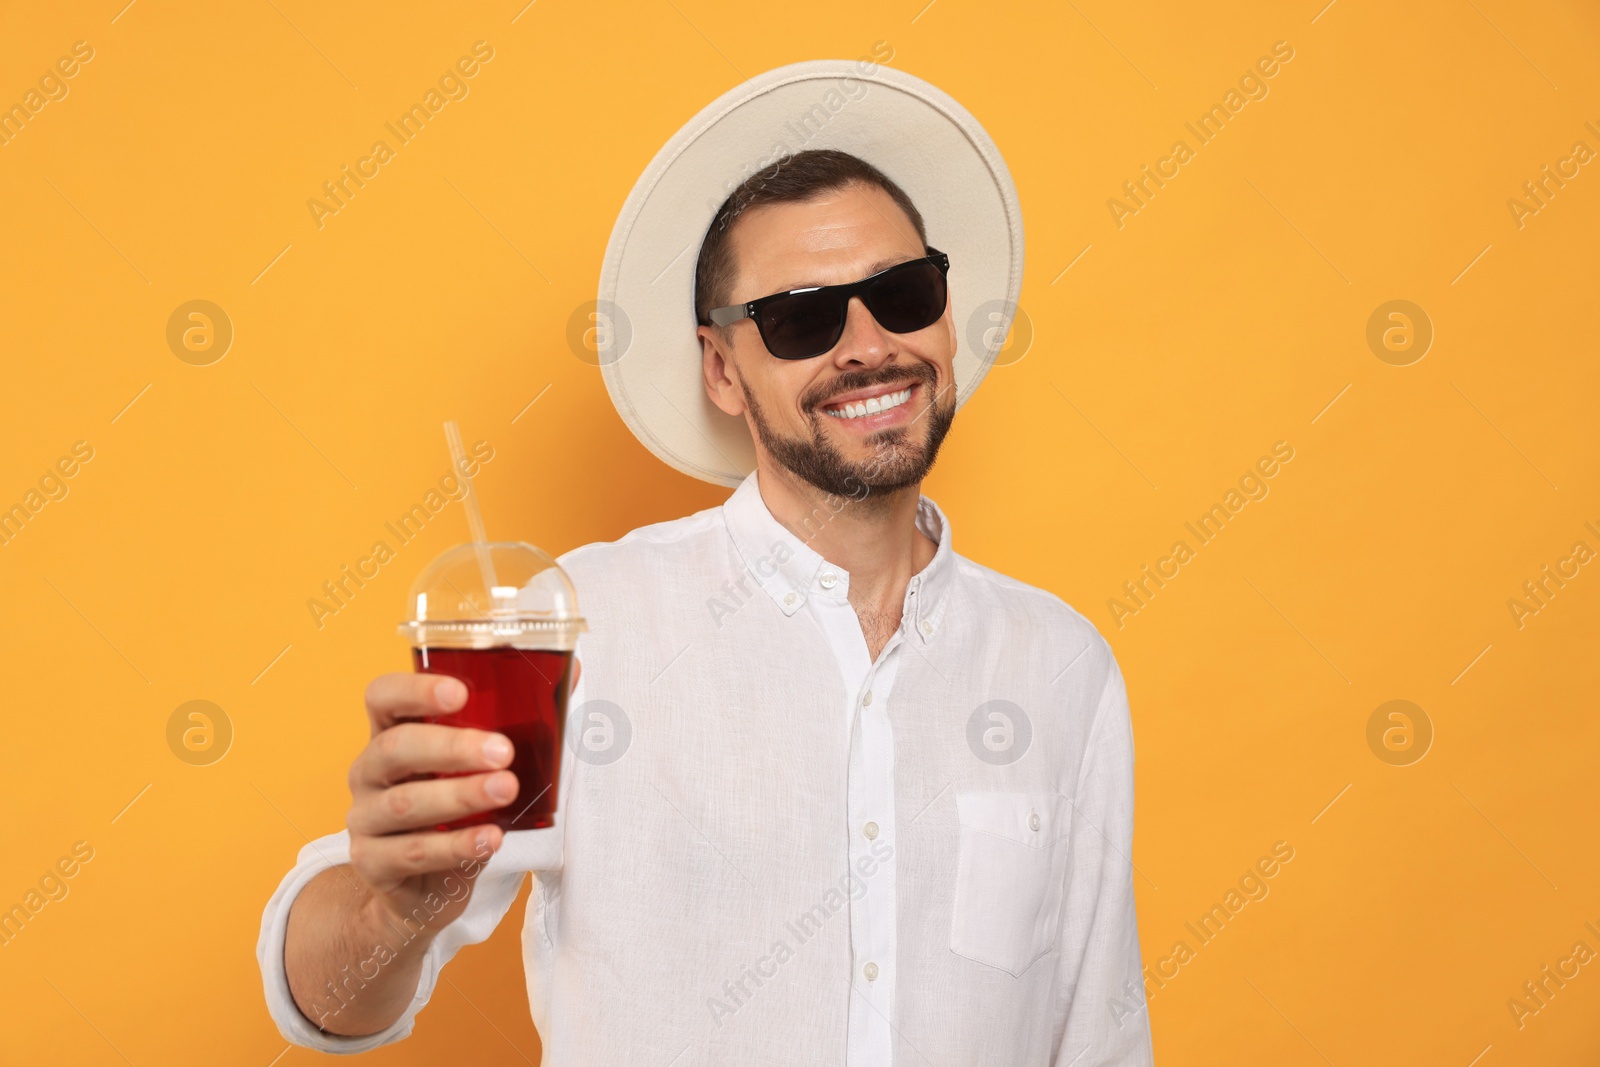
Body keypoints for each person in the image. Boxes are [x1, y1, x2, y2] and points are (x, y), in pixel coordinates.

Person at [258, 60, 1153, 1065]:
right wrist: (396, 908)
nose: (866, 344)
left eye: (900, 293)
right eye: (801, 317)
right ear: (723, 369)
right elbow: (322, 1004)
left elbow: (1099, 1030)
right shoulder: (579, 621)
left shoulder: (1062, 665)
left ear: (942, 315)